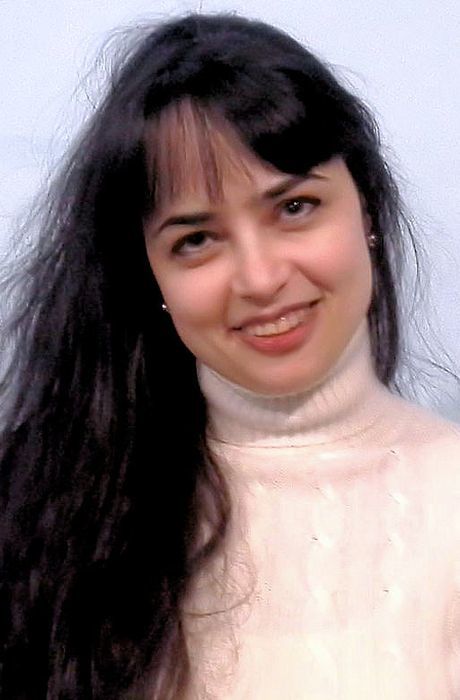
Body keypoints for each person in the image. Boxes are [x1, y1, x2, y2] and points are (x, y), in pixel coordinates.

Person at [1, 11, 460, 700]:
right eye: (196, 240)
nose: (260, 278)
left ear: (366, 209)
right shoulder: (46, 515)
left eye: (295, 207)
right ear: (150, 277)